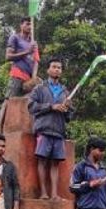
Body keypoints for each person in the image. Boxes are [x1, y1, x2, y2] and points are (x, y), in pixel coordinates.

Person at [28, 58, 74, 200]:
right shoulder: (39, 88)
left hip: (59, 131)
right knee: (42, 160)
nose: (56, 69)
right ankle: (43, 193)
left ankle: (54, 194)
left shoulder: (65, 92)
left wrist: (67, 108)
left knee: (55, 163)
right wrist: (51, 106)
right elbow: (31, 106)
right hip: (44, 130)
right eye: (54, 67)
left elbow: (70, 116)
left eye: (59, 67)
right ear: (48, 70)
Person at [0, 17, 38, 132]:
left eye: (31, 25)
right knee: (8, 100)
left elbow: (36, 61)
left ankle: (29, 129)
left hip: (28, 79)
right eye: (27, 24)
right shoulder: (15, 38)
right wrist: (27, 51)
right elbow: (8, 56)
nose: (30, 27)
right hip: (17, 74)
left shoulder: (33, 43)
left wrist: (34, 78)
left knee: (32, 100)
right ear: (21, 25)